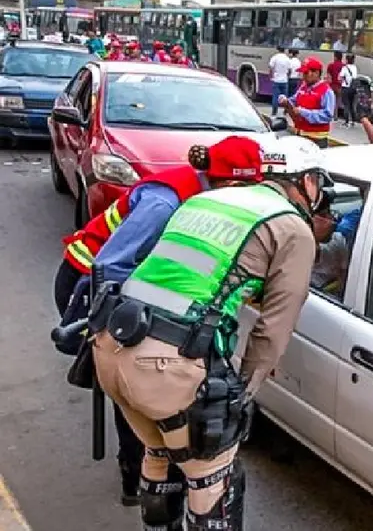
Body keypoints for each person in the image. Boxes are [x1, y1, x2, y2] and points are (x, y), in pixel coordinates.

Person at [91, 137, 327, 531]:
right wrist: (240, 398)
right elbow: (273, 330)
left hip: (112, 343)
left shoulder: (203, 201)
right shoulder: (291, 228)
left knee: (159, 452)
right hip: (169, 365)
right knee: (213, 482)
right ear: (303, 181)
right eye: (319, 182)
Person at [54, 136, 265, 508]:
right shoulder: (165, 200)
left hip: (122, 285)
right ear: (230, 183)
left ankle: (150, 470)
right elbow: (111, 264)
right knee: (134, 385)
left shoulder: (203, 196)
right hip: (89, 282)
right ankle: (133, 475)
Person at [279, 57, 336, 148]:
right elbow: (294, 100)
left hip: (316, 139)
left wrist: (304, 112)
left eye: (306, 73)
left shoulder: (326, 91)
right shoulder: (303, 87)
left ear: (316, 73)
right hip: (300, 134)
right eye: (303, 73)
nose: (303, 76)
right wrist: (285, 101)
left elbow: (327, 115)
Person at [269, 46, 292, 117]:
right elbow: (290, 70)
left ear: (278, 50)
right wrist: (287, 77)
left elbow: (271, 67)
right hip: (284, 80)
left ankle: (274, 112)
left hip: (276, 80)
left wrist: (271, 76)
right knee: (285, 97)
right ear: (284, 50)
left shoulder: (275, 57)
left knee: (275, 96)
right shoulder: (287, 59)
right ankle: (286, 111)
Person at [339, 53, 359, 128]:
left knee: (346, 105)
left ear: (347, 60)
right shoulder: (355, 67)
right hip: (353, 88)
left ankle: (346, 122)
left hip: (345, 88)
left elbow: (340, 78)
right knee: (352, 105)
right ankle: (353, 121)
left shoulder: (344, 68)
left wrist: (343, 81)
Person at [326, 51, 345, 119]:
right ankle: (336, 115)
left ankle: (332, 114)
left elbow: (328, 76)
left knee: (331, 101)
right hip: (340, 86)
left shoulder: (331, 65)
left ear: (335, 57)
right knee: (337, 101)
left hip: (332, 86)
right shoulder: (344, 66)